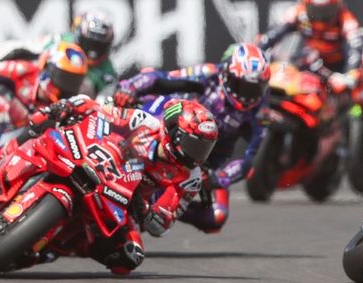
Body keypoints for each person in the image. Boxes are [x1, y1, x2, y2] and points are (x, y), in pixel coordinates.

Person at [0, 95, 218, 275]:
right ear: (173, 132)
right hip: (95, 159)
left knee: (129, 257)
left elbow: (163, 224)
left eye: (204, 149)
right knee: (41, 124)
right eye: (194, 145)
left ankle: (55, 246)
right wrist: (69, 106)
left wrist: (144, 210)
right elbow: (100, 110)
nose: (197, 155)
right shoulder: (143, 122)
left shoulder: (190, 179)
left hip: (124, 201)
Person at [111, 43, 270, 233]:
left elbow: (249, 158)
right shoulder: (208, 74)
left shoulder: (260, 109)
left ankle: (159, 208)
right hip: (167, 126)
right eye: (241, 86)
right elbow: (159, 77)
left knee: (216, 217)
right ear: (227, 75)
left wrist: (218, 178)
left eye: (255, 89)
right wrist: (129, 88)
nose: (247, 96)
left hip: (203, 161)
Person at [255, 0, 363, 91]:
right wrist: (257, 54)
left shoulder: (346, 20)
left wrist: (349, 75)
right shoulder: (297, 13)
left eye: (326, 10)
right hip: (311, 66)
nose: (320, 16)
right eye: (315, 10)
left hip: (338, 69)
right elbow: (271, 35)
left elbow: (355, 50)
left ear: (337, 5)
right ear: (306, 4)